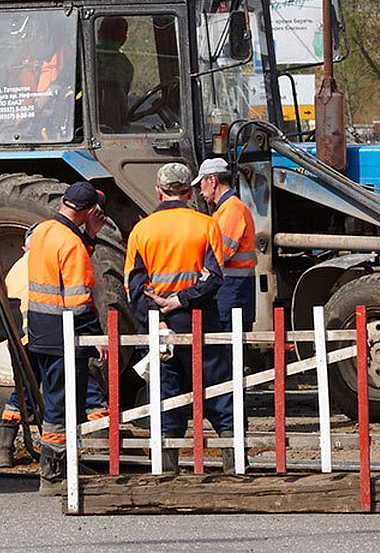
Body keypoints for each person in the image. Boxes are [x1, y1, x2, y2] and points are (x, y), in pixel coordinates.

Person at [125, 162, 229, 472]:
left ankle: (167, 467)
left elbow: (134, 287)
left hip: (161, 327)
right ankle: (233, 462)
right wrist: (180, 300)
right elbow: (214, 278)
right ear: (189, 192)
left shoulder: (141, 230)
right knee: (218, 391)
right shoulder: (206, 225)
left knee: (166, 393)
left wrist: (158, 314)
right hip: (200, 321)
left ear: (158, 192)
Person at [0, 223, 108, 469]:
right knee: (82, 385)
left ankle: (3, 447)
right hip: (45, 336)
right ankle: (103, 439)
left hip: (20, 338)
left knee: (24, 393)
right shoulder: (46, 264)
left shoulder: (14, 270)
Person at [25, 181, 108, 495]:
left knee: (57, 402)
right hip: (64, 336)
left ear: (63, 200)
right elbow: (78, 300)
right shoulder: (72, 245)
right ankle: (53, 476)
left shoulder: (44, 231)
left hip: (40, 331)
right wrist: (97, 338)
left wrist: (89, 236)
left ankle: (62, 466)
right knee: (62, 406)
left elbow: (58, 262)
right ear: (87, 212)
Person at [193, 157, 257, 329]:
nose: (200, 192)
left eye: (201, 185)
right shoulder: (226, 209)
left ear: (212, 180)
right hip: (233, 293)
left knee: (230, 351)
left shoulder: (231, 210)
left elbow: (218, 254)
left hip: (232, 295)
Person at [96, 16, 135, 130]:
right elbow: (122, 94)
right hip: (115, 124)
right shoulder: (125, 66)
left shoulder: (83, 58)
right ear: (124, 39)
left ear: (99, 34)